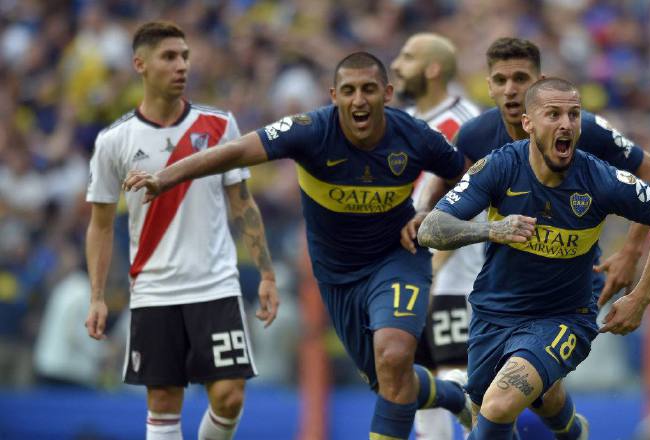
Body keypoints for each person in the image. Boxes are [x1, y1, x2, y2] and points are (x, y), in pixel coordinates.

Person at [123, 51, 474, 439]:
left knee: (393, 354)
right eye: (349, 90)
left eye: (369, 89)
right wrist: (167, 177)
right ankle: (454, 395)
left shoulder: (414, 135)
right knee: (390, 381)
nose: (359, 100)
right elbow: (238, 151)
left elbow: (470, 176)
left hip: (397, 259)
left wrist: (429, 211)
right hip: (338, 277)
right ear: (333, 95)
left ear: (387, 93)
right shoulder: (311, 131)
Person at [415, 37, 650, 436]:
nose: (511, 89)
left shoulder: (587, 135)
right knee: (529, 392)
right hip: (500, 291)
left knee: (500, 403)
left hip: (567, 294)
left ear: (541, 82)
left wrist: (631, 253)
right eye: (501, 79)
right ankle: (570, 430)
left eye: (521, 78)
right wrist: (436, 267)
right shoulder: (477, 139)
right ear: (490, 85)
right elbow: (436, 211)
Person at [85, 21, 279, 440]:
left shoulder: (219, 126)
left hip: (215, 284)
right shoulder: (114, 141)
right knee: (163, 404)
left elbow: (242, 202)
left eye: (185, 56)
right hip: (155, 289)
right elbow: (100, 226)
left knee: (229, 397)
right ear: (140, 64)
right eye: (169, 57)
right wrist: (97, 296)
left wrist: (265, 273)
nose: (182, 66)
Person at [391, 32, 481, 439]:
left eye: (407, 57)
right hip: (413, 274)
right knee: (417, 378)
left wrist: (431, 268)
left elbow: (474, 203)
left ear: (432, 69)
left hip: (457, 276)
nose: (396, 65)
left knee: (456, 375)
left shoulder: (465, 124)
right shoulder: (408, 123)